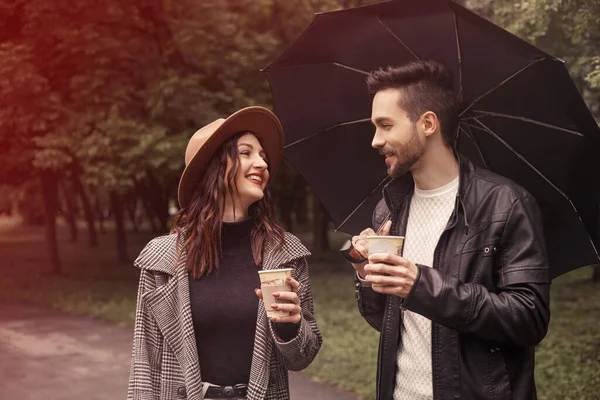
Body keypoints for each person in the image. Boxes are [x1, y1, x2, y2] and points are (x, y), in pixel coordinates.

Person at [345, 61, 550, 400]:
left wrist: (420, 285)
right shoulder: (390, 208)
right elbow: (386, 321)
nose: (375, 140)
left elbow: (529, 319)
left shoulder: (506, 204)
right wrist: (365, 275)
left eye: (385, 125)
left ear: (427, 123)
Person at [127, 106, 322, 400]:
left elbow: (301, 358)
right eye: (246, 153)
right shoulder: (161, 259)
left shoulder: (285, 255)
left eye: (263, 156)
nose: (262, 163)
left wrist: (290, 326)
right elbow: (144, 365)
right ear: (213, 167)